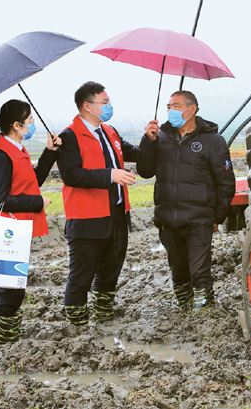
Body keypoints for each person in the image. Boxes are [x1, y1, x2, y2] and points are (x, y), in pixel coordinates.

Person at [137, 90, 236, 312]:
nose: (170, 110)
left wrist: (217, 216)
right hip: (168, 218)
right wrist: (148, 141)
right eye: (169, 106)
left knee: (200, 271)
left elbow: (225, 182)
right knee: (179, 271)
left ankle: (203, 316)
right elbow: (144, 171)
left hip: (199, 219)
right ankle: (185, 310)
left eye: (176, 106)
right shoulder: (160, 138)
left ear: (192, 109)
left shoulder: (213, 141)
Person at [0, 99, 61, 347]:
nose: (32, 124)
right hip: (7, 231)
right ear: (16, 125)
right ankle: (2, 345)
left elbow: (32, 180)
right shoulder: (2, 155)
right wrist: (37, 202)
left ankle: (7, 342)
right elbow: (1, 200)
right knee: (10, 291)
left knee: (15, 288)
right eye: (30, 121)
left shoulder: (17, 149)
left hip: (17, 229)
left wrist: (50, 152)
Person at [57, 81, 139, 326]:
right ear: (87, 106)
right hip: (87, 218)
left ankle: (104, 318)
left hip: (116, 214)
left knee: (110, 272)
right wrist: (110, 175)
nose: (109, 106)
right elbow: (71, 175)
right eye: (104, 102)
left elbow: (133, 153)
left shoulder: (109, 131)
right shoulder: (69, 136)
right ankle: (77, 326)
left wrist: (151, 138)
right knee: (81, 276)